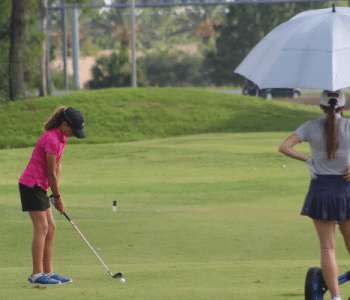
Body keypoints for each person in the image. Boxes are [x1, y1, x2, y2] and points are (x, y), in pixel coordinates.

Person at [278, 90, 350, 300]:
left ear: (320, 106)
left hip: (320, 190)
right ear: (342, 108)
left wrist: (308, 160)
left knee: (328, 248)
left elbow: (284, 146)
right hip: (346, 191)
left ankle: (335, 298)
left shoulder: (309, 127)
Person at [19, 107, 86, 285]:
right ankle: (36, 274)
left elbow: (57, 167)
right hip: (31, 186)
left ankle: (48, 273)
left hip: (40, 187)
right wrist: (57, 197)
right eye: (73, 130)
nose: (73, 134)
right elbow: (50, 172)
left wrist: (55, 192)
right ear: (65, 124)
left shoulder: (61, 138)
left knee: (51, 228)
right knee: (42, 228)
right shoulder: (51, 139)